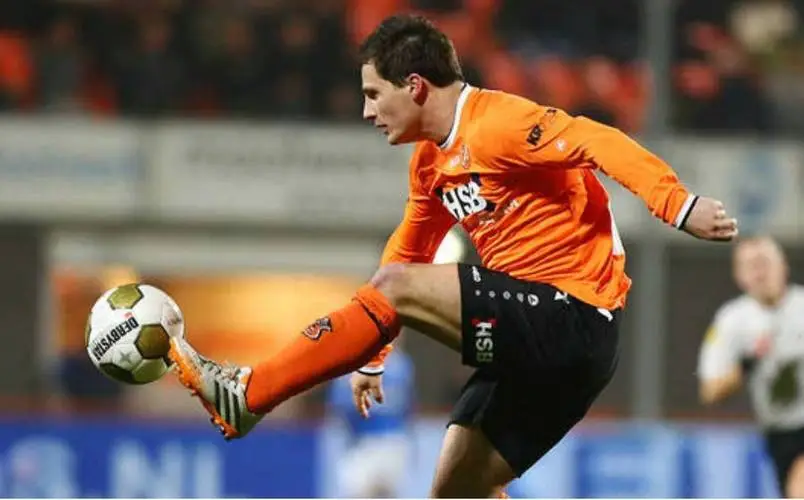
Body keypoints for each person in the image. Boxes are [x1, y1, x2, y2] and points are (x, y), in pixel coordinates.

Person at [167, 14, 738, 497]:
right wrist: (372, 356)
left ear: (415, 86)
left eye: (374, 94)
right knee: (457, 491)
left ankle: (247, 395)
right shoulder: (429, 164)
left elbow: (597, 139)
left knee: (396, 286)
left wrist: (677, 205)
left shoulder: (498, 124)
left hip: (572, 315)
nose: (367, 111)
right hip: (541, 351)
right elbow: (408, 249)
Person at [698, 236, 804, 498]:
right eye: (751, 266)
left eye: (765, 262)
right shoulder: (732, 322)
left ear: (783, 266)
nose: (760, 273)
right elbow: (710, 392)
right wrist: (747, 363)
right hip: (782, 432)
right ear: (739, 276)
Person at [327, 346, 415, 498]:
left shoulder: (349, 363)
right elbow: (409, 409)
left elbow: (341, 410)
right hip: (392, 442)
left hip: (369, 444)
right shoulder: (401, 363)